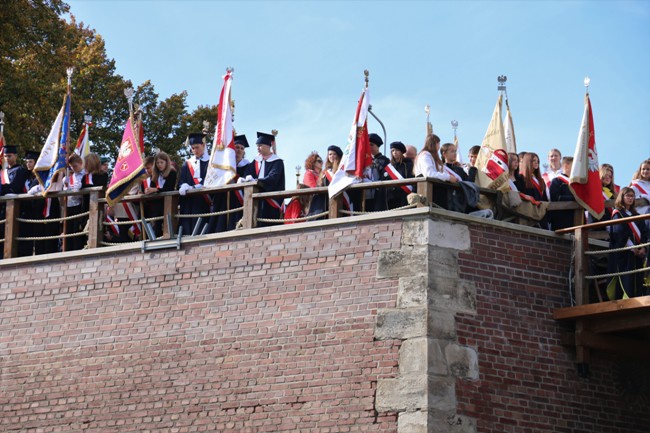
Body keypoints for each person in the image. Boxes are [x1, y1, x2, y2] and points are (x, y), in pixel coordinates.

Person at [607, 187, 648, 299]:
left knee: (637, 280)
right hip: (625, 254)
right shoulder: (618, 214)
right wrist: (631, 248)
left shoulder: (637, 215)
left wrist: (643, 248)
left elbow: (644, 233)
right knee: (627, 280)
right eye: (628, 196)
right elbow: (618, 232)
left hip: (638, 255)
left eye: (632, 196)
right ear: (622, 197)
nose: (630, 198)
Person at [242, 131, 285, 227]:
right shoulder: (256, 161)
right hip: (255, 199)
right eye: (257, 145)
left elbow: (273, 178)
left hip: (270, 201)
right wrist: (244, 179)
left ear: (268, 146)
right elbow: (247, 173)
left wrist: (258, 182)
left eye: (260, 145)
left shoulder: (277, 162)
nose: (258, 148)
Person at [178, 132, 211, 236]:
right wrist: (183, 185)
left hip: (203, 199)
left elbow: (209, 179)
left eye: (197, 147)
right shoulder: (187, 163)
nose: (195, 150)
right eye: (193, 148)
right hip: (189, 201)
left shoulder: (210, 162)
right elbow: (182, 179)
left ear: (203, 145)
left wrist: (194, 186)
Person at [415, 134, 458, 209]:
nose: (439, 146)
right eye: (438, 144)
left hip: (435, 191)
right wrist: (448, 177)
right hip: (427, 191)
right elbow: (429, 173)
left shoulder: (432, 157)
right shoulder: (425, 155)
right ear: (434, 144)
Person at [142, 151, 177, 237]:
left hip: (168, 203)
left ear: (166, 162)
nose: (159, 165)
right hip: (156, 205)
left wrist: (155, 190)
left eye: (161, 162)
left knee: (168, 227)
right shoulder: (155, 175)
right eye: (157, 163)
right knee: (156, 227)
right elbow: (152, 187)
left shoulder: (172, 172)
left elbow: (168, 188)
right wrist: (148, 190)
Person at [16, 150, 40, 256]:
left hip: (36, 208)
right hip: (24, 210)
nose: (28, 164)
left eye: (30, 162)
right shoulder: (25, 176)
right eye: (27, 162)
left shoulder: (39, 177)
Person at [64, 153, 86, 251]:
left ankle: (78, 249)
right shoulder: (70, 177)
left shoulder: (86, 175)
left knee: (78, 229)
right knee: (69, 231)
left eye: (75, 166)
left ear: (81, 163)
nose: (73, 168)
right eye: (71, 167)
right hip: (69, 205)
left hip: (80, 205)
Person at [384, 141, 414, 209]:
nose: (394, 152)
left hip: (403, 196)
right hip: (391, 197)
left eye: (397, 150)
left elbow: (411, 179)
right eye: (393, 150)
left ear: (401, 152)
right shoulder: (389, 166)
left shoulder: (407, 164)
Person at [548, 156, 575, 231]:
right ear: (566, 166)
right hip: (561, 222)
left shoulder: (576, 184)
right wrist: (573, 198)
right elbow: (555, 198)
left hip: (575, 220)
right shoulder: (557, 181)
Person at [367, 133, 390, 211]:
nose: (369, 147)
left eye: (372, 145)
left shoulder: (384, 161)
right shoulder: (365, 161)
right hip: (367, 196)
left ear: (377, 146)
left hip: (379, 195)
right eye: (368, 145)